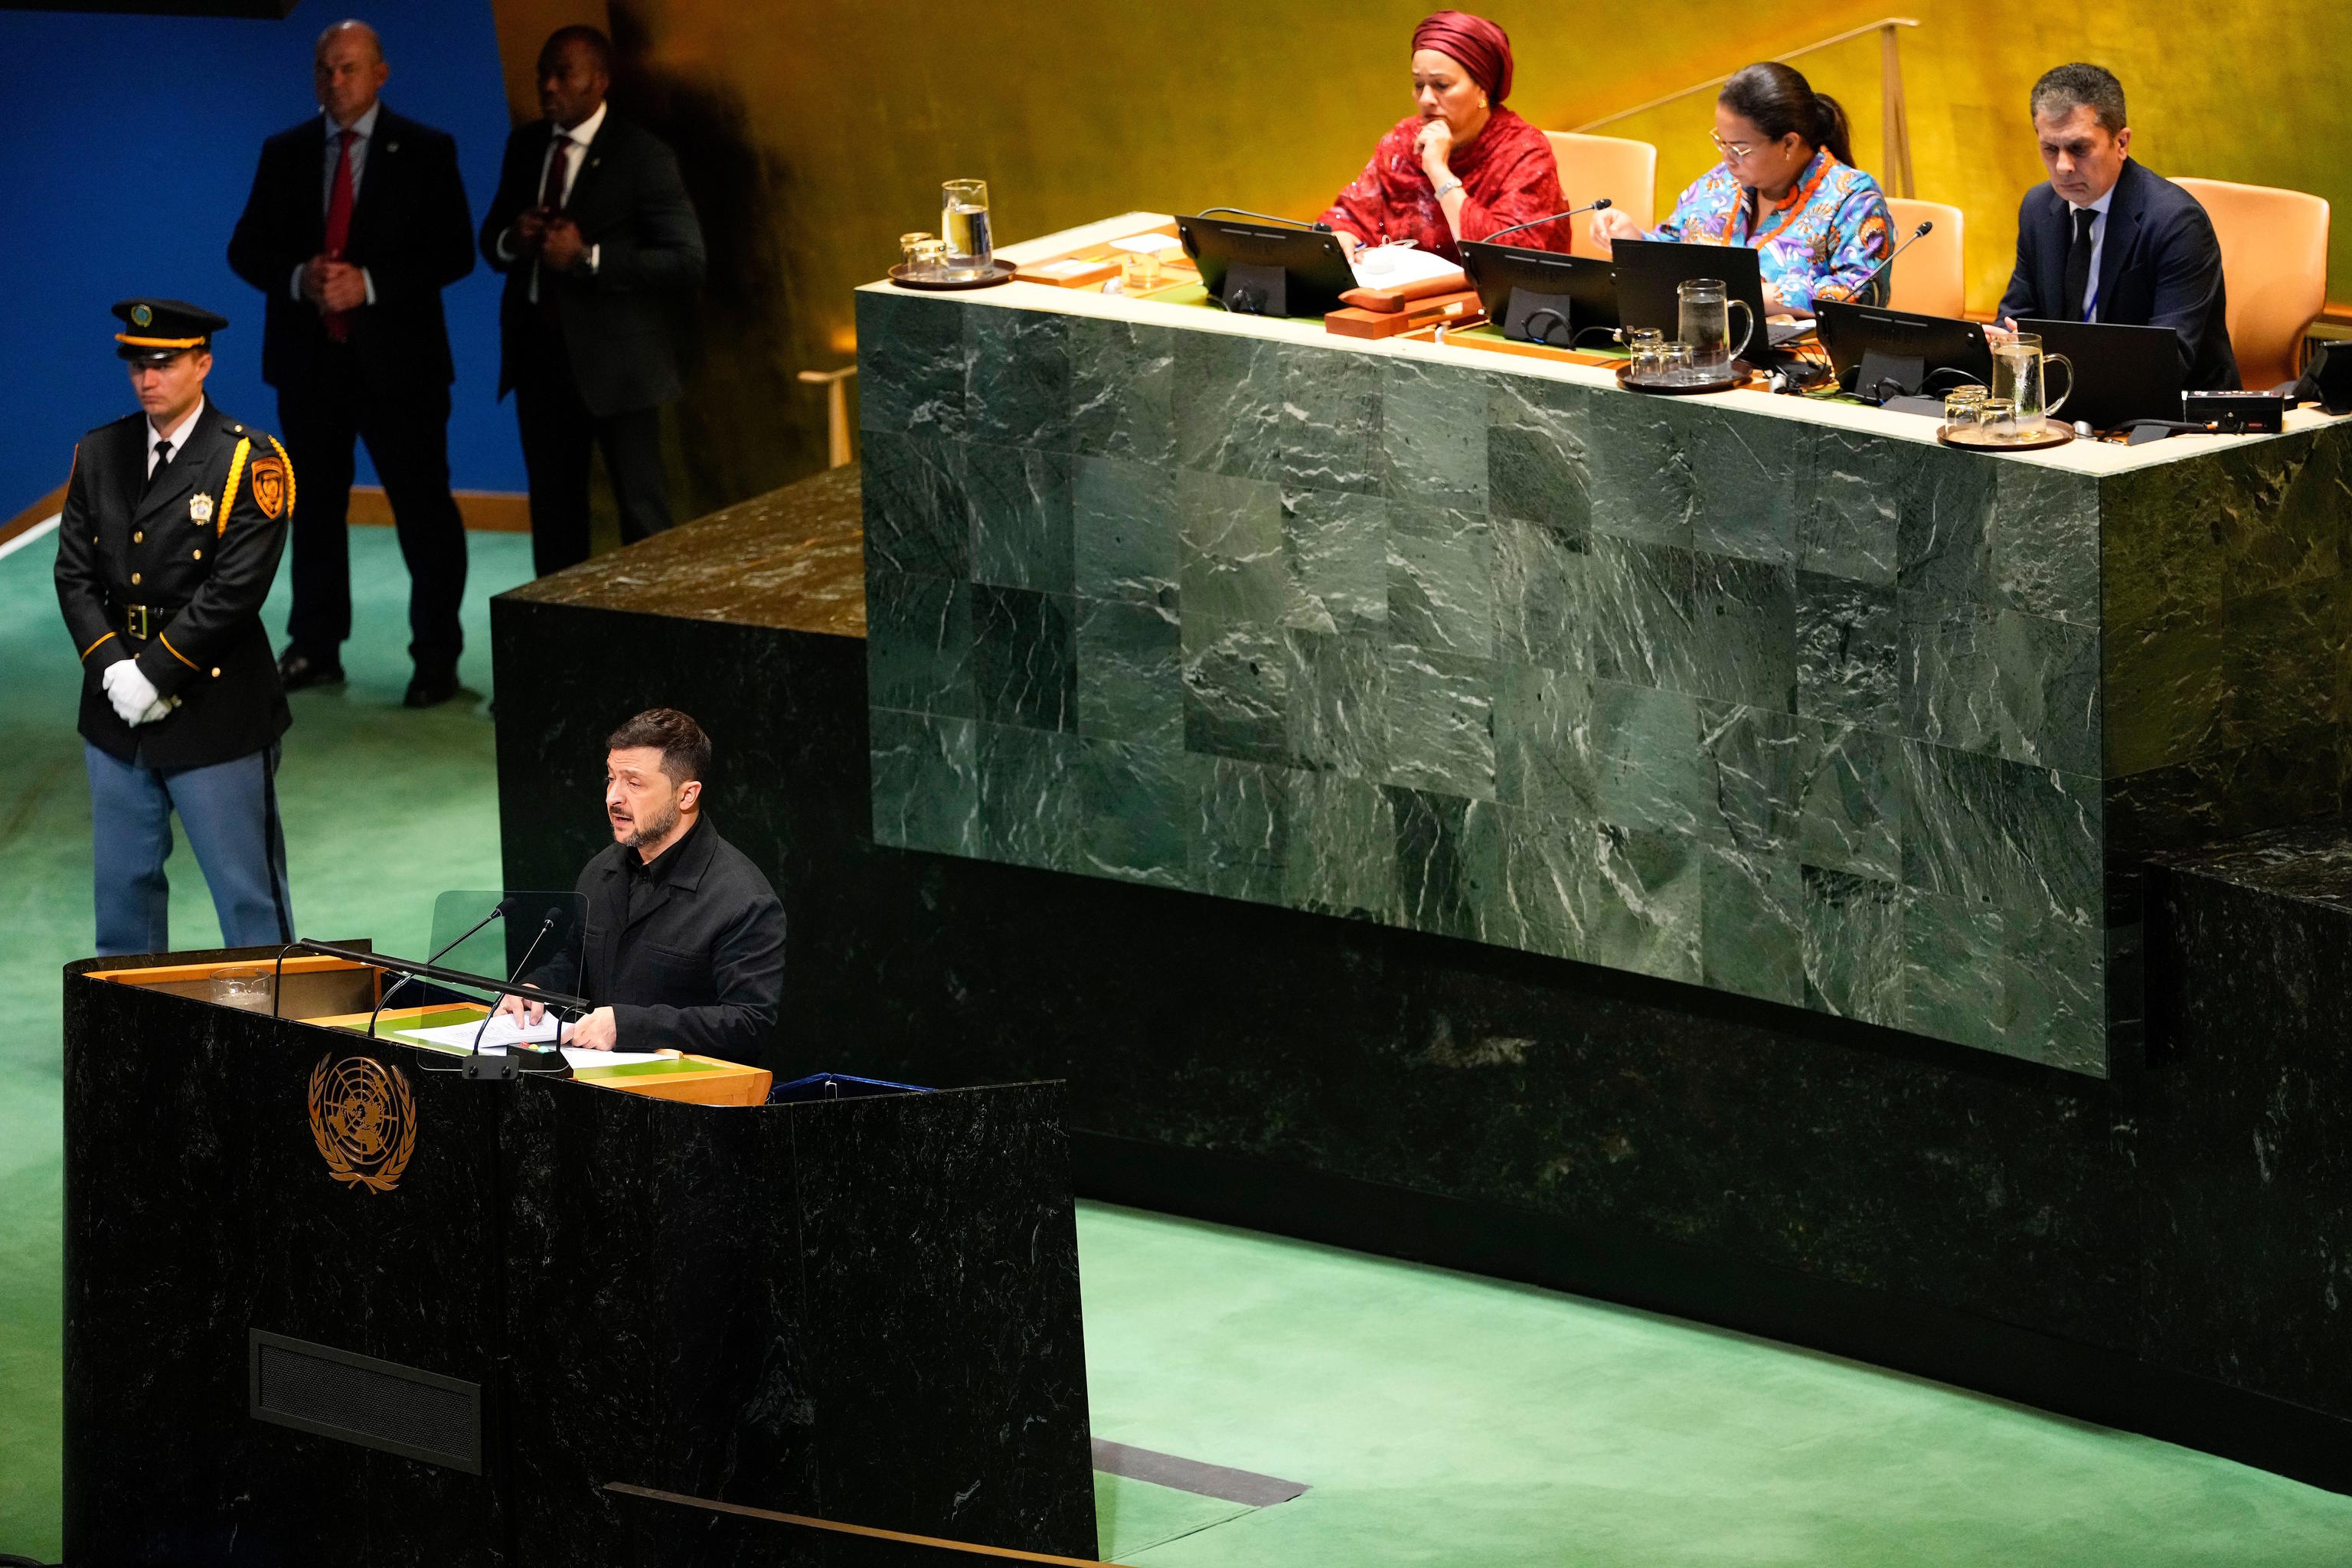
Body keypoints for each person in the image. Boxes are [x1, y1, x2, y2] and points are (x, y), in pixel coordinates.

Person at [227, 19, 477, 709]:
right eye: (324, 69)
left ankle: (436, 658)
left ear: (380, 73)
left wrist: (367, 284)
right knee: (312, 514)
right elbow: (245, 249)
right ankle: (315, 646)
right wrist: (297, 277)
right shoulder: (285, 152)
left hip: (403, 369)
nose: (335, 82)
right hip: (311, 366)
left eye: (349, 69)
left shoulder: (426, 150)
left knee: (424, 514)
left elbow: (455, 249)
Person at [54, 301, 297, 956]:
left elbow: (235, 592)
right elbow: (74, 576)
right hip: (114, 712)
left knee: (247, 900)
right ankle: (133, 1051)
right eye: (137, 363)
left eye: (163, 363)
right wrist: (113, 670)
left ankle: (268, 1043)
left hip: (215, 709)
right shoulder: (101, 452)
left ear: (203, 363)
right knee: (122, 902)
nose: (146, 378)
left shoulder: (250, 461)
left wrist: (154, 673)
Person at [479, 24, 706, 578]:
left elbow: (686, 260)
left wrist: (590, 259)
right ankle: (559, 655)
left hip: (622, 372)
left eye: (563, 72)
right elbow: (492, 242)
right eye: (542, 73)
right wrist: (518, 237)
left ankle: (655, 644)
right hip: (540, 363)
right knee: (555, 523)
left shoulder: (642, 155)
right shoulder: (526, 146)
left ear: (599, 81)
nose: (548, 84)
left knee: (641, 517)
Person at [496, 708, 783, 1059]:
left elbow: (748, 1023)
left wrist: (628, 1027)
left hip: (683, 1101)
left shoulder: (742, 899)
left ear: (687, 795)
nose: (612, 797)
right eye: (611, 778)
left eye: (634, 783)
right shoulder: (600, 870)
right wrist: (539, 988)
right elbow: (580, 961)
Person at [1995, 63, 2238, 390]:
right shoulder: (2039, 209)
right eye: (2050, 149)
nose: (2064, 166)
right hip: (2065, 405)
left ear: (2121, 143)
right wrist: (1999, 344)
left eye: (2079, 148)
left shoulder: (2177, 223)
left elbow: (2169, 362)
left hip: (2174, 417)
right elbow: (2014, 321)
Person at [1590, 62, 1892, 318]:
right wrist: (1634, 240)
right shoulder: (1721, 182)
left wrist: (1762, 296)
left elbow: (1862, 294)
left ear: (1789, 143)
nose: (1726, 158)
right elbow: (1674, 247)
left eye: (1740, 148)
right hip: (1703, 345)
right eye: (1722, 142)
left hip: (1798, 366)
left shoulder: (1852, 198)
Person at [1318, 11, 1570, 263]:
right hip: (1408, 296)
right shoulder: (1403, 141)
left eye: (1441, 86)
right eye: (1419, 85)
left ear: (1482, 88)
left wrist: (1439, 172)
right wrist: (1343, 234)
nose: (1426, 99)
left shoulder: (1523, 152)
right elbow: (1350, 215)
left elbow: (1509, 256)